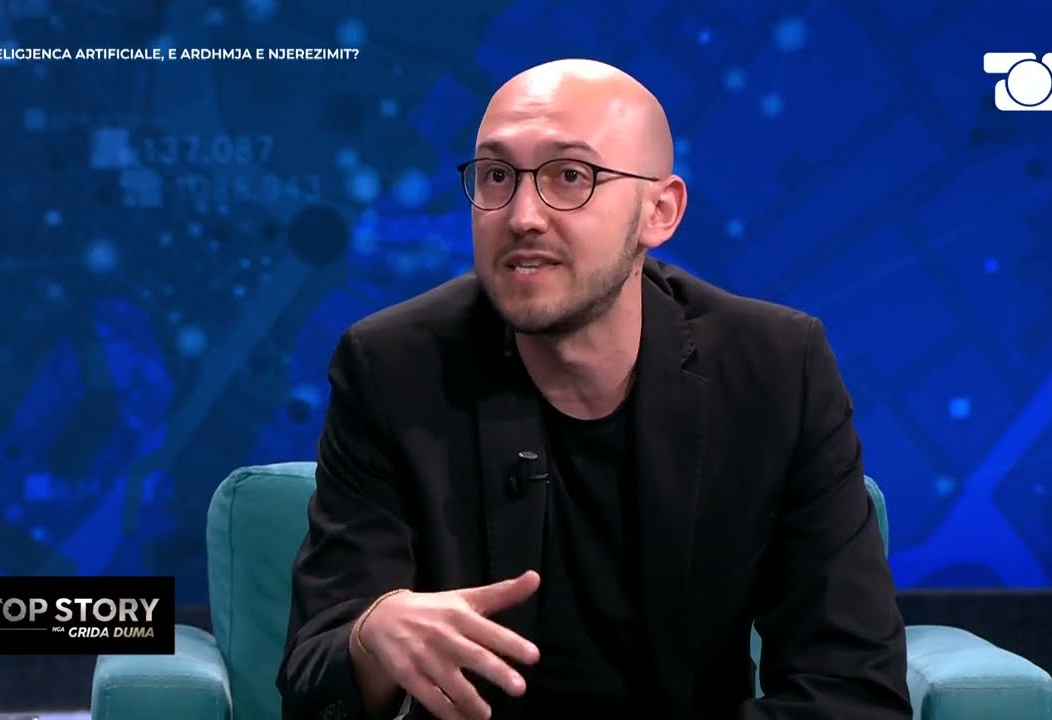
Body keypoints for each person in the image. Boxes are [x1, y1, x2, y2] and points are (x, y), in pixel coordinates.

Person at [276, 58, 911, 720]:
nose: (522, 215)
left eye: (570, 176)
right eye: (496, 176)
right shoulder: (391, 367)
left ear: (659, 212)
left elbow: (853, 691)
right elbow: (312, 676)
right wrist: (372, 638)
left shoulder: (775, 369)